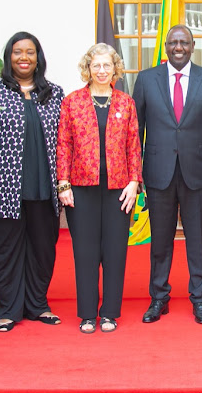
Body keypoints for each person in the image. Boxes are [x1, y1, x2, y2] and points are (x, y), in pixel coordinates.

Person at [133, 25, 202, 325]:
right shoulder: (146, 79)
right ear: (165, 46)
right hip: (158, 174)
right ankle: (158, 298)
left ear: (192, 46)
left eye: (184, 42)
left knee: (197, 240)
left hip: (198, 174)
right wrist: (135, 174)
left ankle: (200, 299)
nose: (179, 47)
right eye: (173, 42)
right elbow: (134, 130)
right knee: (160, 241)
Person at [0, 32, 64, 332]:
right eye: (18, 51)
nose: (24, 57)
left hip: (44, 189)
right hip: (2, 189)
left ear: (38, 57)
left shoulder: (54, 93)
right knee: (3, 250)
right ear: (9, 56)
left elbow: (66, 141)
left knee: (43, 249)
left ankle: (37, 305)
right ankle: (8, 309)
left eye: (30, 52)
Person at [56, 43, 142, 334]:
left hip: (119, 187)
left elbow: (134, 146)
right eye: (97, 65)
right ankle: (88, 314)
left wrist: (134, 182)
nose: (102, 71)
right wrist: (63, 183)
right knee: (86, 251)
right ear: (88, 69)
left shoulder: (125, 103)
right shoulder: (72, 102)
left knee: (116, 251)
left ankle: (109, 313)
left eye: (107, 65)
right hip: (82, 187)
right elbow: (63, 145)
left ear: (115, 68)